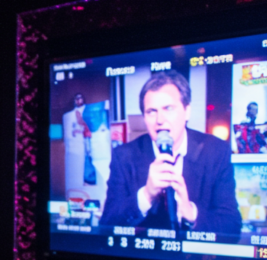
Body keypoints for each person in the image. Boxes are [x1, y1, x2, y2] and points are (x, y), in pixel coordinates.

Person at [100, 71, 240, 234]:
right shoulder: (124, 156)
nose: (160, 120)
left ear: (187, 111)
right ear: (144, 117)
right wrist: (146, 195)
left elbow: (232, 226)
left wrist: (190, 213)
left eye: (168, 108)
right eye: (151, 111)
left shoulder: (216, 152)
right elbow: (106, 226)